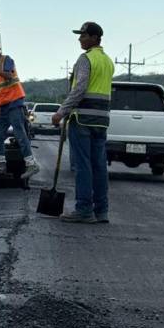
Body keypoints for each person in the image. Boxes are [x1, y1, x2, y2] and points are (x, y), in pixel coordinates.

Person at [51, 22, 115, 224]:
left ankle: (84, 209)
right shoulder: (107, 61)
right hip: (101, 121)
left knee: (83, 166)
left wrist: (61, 112)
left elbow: (79, 89)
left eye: (84, 35)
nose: (80, 39)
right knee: (99, 166)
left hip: (83, 120)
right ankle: (101, 211)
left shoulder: (85, 59)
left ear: (95, 38)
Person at [0, 39, 40, 179]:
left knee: (19, 133)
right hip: (4, 106)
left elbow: (8, 76)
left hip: (14, 103)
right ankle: (1, 164)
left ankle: (32, 164)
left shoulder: (6, 60)